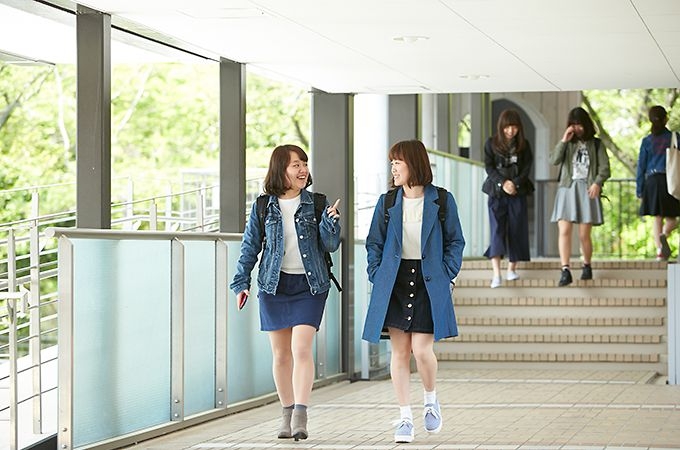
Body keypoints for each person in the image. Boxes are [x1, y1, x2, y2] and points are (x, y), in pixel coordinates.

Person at [229, 144, 341, 441]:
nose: (303, 169)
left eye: (304, 163)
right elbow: (250, 246)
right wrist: (241, 283)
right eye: (296, 165)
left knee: (301, 349)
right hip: (274, 286)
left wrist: (331, 223)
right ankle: (287, 414)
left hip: (310, 286)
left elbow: (330, 246)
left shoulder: (317, 203)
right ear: (281, 169)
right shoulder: (263, 206)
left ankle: (301, 416)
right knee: (280, 355)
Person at [362, 139, 465, 443]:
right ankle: (405, 417)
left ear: (414, 164)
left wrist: (447, 272)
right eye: (392, 163)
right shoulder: (387, 202)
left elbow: (456, 241)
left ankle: (430, 400)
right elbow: (374, 242)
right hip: (394, 281)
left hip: (428, 280)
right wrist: (376, 273)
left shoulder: (442, 200)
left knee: (421, 350)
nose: (393, 169)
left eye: (398, 163)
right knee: (399, 352)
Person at [550, 106, 610, 286]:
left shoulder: (596, 144)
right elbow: (554, 160)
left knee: (584, 234)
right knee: (564, 230)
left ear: (586, 124)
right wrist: (564, 140)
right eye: (573, 124)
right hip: (567, 189)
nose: (576, 128)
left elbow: (605, 168)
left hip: (587, 189)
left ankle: (587, 265)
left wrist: (597, 183)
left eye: (579, 124)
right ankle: (565, 270)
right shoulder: (567, 143)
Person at [482, 109, 534, 288]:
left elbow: (527, 168)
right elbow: (489, 167)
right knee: (497, 230)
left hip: (518, 192)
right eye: (507, 127)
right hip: (496, 192)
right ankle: (496, 274)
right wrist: (503, 182)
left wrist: (515, 184)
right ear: (501, 127)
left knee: (517, 229)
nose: (511, 131)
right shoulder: (491, 143)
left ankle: (512, 269)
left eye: (514, 127)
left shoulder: (524, 145)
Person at [635, 105, 680, 260]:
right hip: (670, 180)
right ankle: (664, 234)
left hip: (652, 181)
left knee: (657, 217)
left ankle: (660, 251)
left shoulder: (647, 141)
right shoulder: (675, 137)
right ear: (666, 119)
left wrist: (639, 189)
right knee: (673, 218)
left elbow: (641, 167)